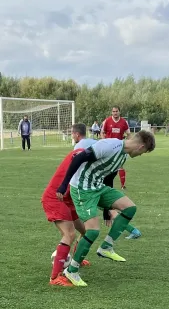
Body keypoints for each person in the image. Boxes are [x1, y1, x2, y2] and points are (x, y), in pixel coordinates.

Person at [56, 130, 155, 287]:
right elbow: (78, 158)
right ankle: (72, 270)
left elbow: (108, 178)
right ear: (140, 146)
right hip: (83, 189)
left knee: (129, 208)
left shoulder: (123, 155)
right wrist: (63, 185)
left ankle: (106, 246)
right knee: (93, 230)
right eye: (143, 152)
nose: (141, 155)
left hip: (99, 187)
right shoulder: (110, 146)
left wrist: (107, 211)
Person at [72, 123, 142, 240]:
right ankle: (132, 230)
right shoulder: (93, 141)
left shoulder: (81, 145)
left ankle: (133, 230)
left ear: (76, 134)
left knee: (104, 213)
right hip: (99, 178)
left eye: (72, 134)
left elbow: (78, 165)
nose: (72, 136)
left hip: (89, 183)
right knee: (107, 210)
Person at [41, 146, 91, 286]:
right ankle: (55, 277)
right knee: (69, 234)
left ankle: (76, 261)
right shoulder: (82, 154)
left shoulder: (87, 155)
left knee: (85, 231)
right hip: (56, 197)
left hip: (69, 199)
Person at [101, 106, 130, 189]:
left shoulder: (124, 122)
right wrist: (104, 142)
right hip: (108, 148)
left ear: (119, 112)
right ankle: (104, 184)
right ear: (111, 112)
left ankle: (122, 185)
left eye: (116, 111)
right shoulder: (107, 121)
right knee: (106, 165)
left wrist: (128, 144)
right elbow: (102, 133)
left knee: (119, 165)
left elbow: (128, 134)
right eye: (113, 111)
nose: (115, 113)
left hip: (119, 148)